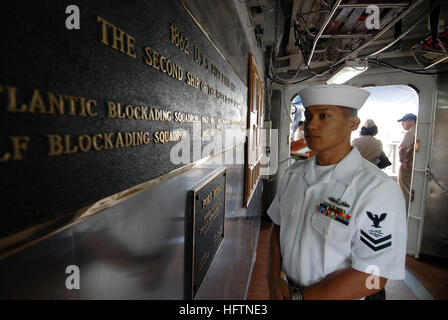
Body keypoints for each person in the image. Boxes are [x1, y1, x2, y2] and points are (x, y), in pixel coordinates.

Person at [267, 84, 407, 300]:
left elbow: (374, 276)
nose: (310, 125)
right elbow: (278, 226)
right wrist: (273, 278)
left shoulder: (377, 189)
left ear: (353, 124)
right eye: (309, 115)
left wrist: (300, 297)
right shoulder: (293, 175)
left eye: (324, 116)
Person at [397, 113, 417, 211]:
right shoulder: (423, 131)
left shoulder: (411, 132)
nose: (402, 124)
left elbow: (402, 148)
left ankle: (405, 214)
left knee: (405, 192)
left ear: (412, 121)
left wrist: (402, 160)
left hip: (408, 167)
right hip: (417, 166)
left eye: (404, 122)